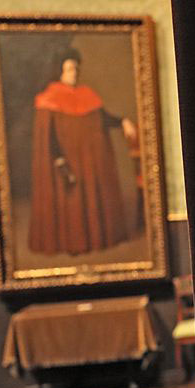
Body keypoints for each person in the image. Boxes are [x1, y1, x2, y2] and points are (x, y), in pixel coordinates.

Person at [28, 50, 138, 256]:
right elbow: (48, 138)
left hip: (88, 160)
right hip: (65, 161)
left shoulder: (87, 94)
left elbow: (103, 119)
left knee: (90, 197)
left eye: (76, 68)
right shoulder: (48, 98)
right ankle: (73, 245)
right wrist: (59, 160)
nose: (74, 73)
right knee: (71, 201)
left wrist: (123, 121)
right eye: (70, 69)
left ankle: (93, 241)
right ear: (59, 72)